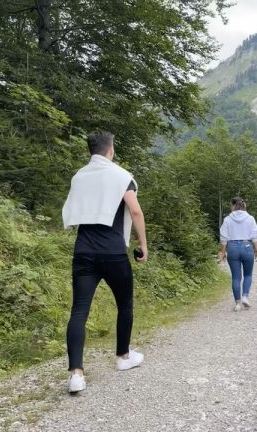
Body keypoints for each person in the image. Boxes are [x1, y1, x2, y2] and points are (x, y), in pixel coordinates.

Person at [61, 131, 148, 394]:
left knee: (79, 311)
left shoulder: (79, 176)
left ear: (91, 150)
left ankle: (76, 374)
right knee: (125, 304)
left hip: (84, 252)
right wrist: (143, 245)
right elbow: (134, 210)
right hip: (112, 253)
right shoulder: (121, 175)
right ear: (110, 150)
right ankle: (123, 356)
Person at [219, 197, 257, 311]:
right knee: (248, 275)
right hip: (247, 246)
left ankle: (237, 303)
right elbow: (254, 236)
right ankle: (245, 297)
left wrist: (222, 252)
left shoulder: (227, 219)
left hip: (232, 247)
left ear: (233, 205)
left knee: (236, 277)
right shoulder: (250, 218)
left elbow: (223, 238)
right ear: (244, 205)